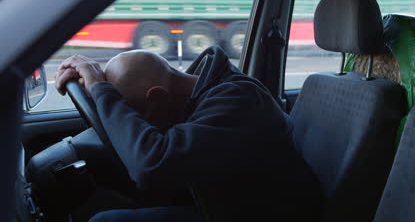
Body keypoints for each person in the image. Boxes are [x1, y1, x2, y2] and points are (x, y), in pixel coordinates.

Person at [55, 46, 323, 222]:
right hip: (223, 202)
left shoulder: (238, 100)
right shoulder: (205, 91)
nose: (135, 121)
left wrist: (103, 93)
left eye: (135, 113)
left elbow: (151, 165)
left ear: (157, 97)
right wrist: (99, 86)